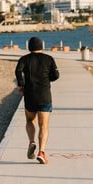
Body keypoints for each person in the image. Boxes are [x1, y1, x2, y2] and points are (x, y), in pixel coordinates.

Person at [15, 36, 59, 164]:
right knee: (43, 125)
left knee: (30, 120)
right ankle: (41, 152)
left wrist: (21, 84)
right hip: (44, 95)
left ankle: (31, 141)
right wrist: (47, 79)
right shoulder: (49, 59)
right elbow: (56, 75)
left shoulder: (24, 59)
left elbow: (18, 71)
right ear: (41, 46)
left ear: (29, 47)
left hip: (29, 95)